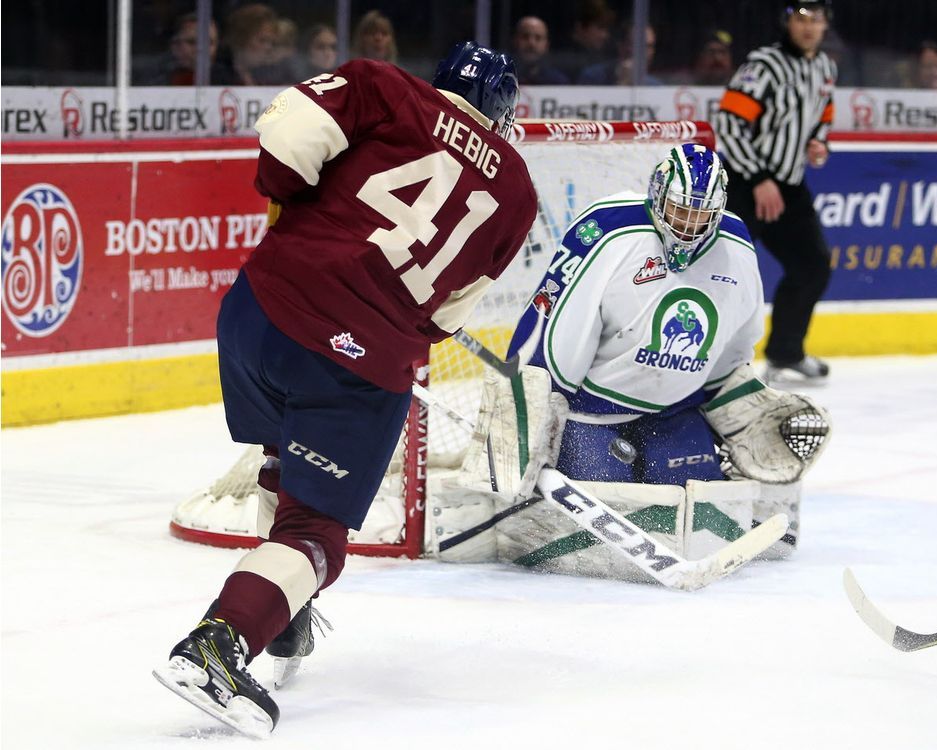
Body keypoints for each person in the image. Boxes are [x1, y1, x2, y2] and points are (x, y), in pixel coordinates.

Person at [153, 41, 537, 738]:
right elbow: (448, 317)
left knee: (283, 455)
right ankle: (221, 643)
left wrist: (291, 198)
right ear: (502, 112)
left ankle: (282, 611)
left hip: (255, 311)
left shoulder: (383, 85)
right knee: (317, 535)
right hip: (355, 364)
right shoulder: (516, 192)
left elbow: (289, 135)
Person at [450, 143, 829, 578]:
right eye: (680, 211)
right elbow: (553, 327)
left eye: (702, 216)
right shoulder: (610, 230)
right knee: (610, 515)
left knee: (700, 507)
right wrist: (533, 411)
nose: (689, 226)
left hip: (676, 409)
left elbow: (734, 343)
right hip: (590, 414)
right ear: (657, 195)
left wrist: (736, 396)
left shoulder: (736, 247)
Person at [712, 0, 837, 384]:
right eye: (801, 17)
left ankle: (785, 354)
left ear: (825, 24)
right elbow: (729, 123)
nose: (809, 26)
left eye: (816, 19)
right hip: (745, 182)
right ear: (787, 21)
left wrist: (818, 143)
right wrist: (760, 178)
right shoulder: (763, 65)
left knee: (812, 266)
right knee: (720, 272)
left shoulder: (825, 67)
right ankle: (707, 363)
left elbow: (823, 113)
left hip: (789, 186)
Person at [134, 12, 235, 86]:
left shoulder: (228, 80)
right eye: (192, 42)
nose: (202, 49)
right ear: (175, 46)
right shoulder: (155, 79)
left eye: (210, 43)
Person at [577, 20, 663, 86]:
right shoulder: (593, 77)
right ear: (622, 47)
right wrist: (622, 83)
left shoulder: (655, 86)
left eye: (649, 46)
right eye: (638, 45)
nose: (646, 52)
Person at [510, 15, 569, 85]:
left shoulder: (558, 82)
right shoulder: (501, 79)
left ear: (546, 45)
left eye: (538, 38)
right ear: (515, 41)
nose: (531, 43)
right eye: (525, 36)